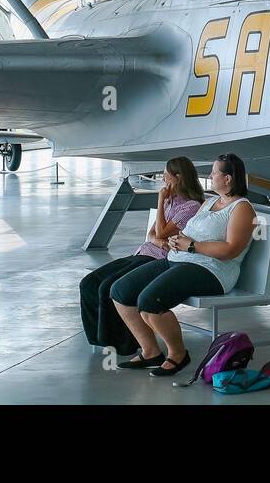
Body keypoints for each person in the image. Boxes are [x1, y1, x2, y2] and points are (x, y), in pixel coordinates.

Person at [110, 153, 256, 378]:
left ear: (227, 178)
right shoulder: (209, 202)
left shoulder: (241, 208)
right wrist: (177, 241)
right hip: (179, 259)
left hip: (212, 271)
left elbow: (231, 249)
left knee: (150, 302)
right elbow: (189, 232)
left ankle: (178, 354)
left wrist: (192, 246)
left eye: (214, 172)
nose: (211, 175)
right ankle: (151, 352)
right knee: (120, 290)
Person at [79, 158, 205, 355]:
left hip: (158, 259)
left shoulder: (190, 207)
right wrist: (158, 239)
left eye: (166, 175)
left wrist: (160, 201)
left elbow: (160, 232)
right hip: (144, 251)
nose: (163, 179)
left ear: (178, 177)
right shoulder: (171, 201)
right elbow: (153, 235)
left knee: (108, 287)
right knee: (89, 283)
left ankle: (122, 344)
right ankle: (100, 338)